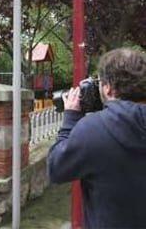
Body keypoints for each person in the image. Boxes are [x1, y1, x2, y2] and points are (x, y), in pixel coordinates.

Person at [47, 47, 146, 228]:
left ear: (108, 88)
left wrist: (70, 119)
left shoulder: (93, 130)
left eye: (99, 82)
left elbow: (56, 169)